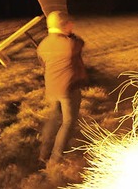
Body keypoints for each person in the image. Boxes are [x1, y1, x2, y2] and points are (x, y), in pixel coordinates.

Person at [37, 11, 88, 167]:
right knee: (68, 123)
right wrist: (69, 34)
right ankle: (55, 159)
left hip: (51, 88)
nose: (72, 25)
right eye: (69, 23)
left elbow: (43, 64)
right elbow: (80, 42)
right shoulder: (70, 44)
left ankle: (43, 154)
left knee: (53, 119)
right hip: (68, 88)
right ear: (63, 25)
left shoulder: (42, 45)